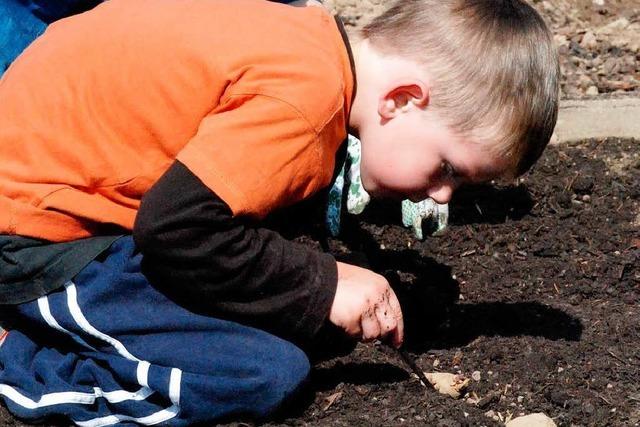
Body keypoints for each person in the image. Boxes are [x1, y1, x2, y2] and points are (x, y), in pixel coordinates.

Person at [0, 0, 559, 425]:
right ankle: (19, 355)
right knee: (260, 373)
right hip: (33, 236)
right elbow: (178, 229)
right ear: (403, 99)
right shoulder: (304, 105)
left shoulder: (309, 42)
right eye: (449, 169)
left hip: (76, 192)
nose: (442, 196)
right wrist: (324, 283)